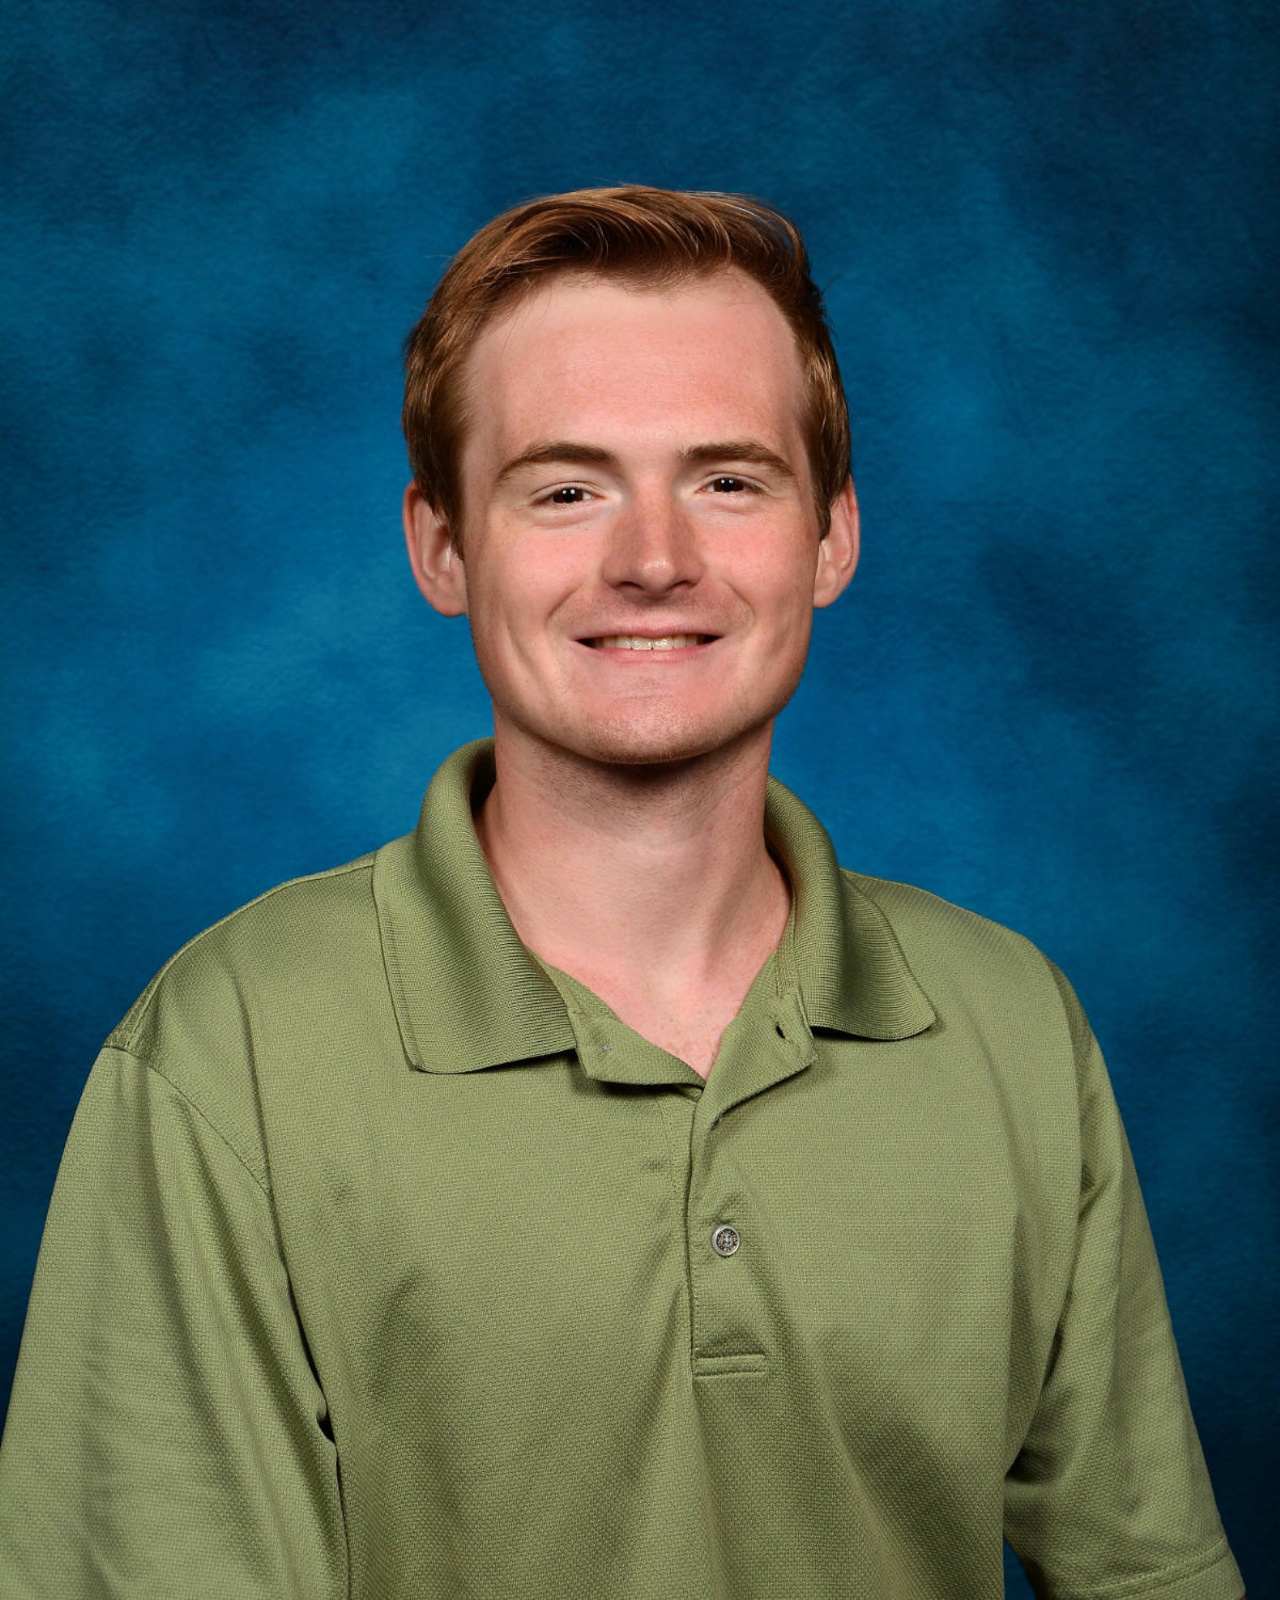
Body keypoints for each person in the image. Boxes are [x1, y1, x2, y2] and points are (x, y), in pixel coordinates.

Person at [0, 185, 1245, 1600]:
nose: (655, 561)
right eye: (567, 489)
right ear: (442, 547)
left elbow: (1150, 1578)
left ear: (832, 537)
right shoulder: (231, 1052)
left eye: (728, 481)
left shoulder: (1009, 1023)